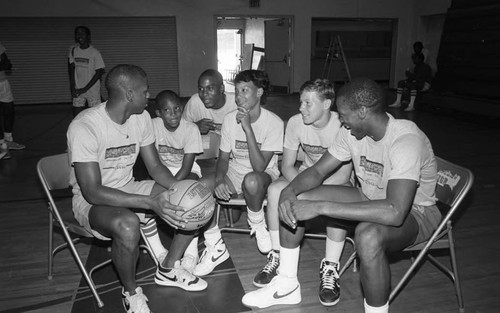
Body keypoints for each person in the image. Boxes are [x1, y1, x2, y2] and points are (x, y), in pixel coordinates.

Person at [242, 77, 441, 313]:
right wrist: (289, 190)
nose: (341, 121)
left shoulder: (405, 140)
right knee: (297, 201)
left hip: (416, 213)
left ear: (363, 112)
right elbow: (317, 171)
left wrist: (322, 207)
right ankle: (286, 285)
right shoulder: (351, 133)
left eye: (344, 115)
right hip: (369, 197)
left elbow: (395, 212)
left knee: (367, 235)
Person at [67, 64, 209, 313]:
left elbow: (155, 167)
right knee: (128, 223)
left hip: (128, 185)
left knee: (188, 201)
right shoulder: (85, 126)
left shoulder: (141, 119)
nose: (149, 95)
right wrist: (149, 203)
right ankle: (131, 292)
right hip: (92, 201)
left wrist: (183, 189)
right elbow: (92, 191)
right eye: (145, 91)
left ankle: (167, 268)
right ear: (129, 94)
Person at [252, 79, 353, 307]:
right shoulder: (296, 123)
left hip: (335, 181)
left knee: (334, 196)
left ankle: (330, 267)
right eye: (301, 102)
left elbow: (344, 176)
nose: (300, 108)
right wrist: (299, 188)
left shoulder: (342, 124)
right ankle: (277, 254)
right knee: (275, 188)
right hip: (305, 177)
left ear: (327, 104)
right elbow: (286, 166)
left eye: (308, 103)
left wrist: (308, 192)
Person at [193, 70, 284, 277]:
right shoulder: (228, 119)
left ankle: (257, 222)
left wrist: (248, 128)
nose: (239, 96)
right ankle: (215, 244)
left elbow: (260, 166)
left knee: (251, 180)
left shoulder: (274, 123)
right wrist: (218, 180)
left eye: (245, 90)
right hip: (234, 171)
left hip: (263, 175)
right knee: (198, 189)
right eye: (237, 91)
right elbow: (223, 158)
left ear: (259, 92)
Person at [152, 90, 203, 181]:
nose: (173, 114)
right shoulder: (153, 125)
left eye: (176, 108)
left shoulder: (191, 129)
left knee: (187, 187)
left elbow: (186, 169)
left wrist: (172, 185)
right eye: (167, 110)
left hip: (188, 169)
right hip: (163, 169)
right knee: (158, 189)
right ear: (159, 113)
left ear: (182, 108)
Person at [183, 69, 237, 136]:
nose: (204, 94)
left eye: (210, 88)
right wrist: (195, 127)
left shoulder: (236, 103)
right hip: (203, 145)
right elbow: (180, 130)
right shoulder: (195, 102)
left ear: (221, 88)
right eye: (201, 89)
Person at [68, 26, 105, 117]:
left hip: (92, 90)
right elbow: (71, 69)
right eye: (77, 33)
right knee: (77, 116)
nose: (80, 35)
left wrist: (85, 89)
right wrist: (72, 86)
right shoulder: (73, 50)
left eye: (82, 33)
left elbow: (99, 72)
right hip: (78, 89)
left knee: (95, 116)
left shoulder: (95, 52)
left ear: (88, 36)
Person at [0, 41, 25, 161]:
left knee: (9, 110)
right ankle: (2, 145)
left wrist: (5, 65)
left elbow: (6, 62)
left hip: (2, 82)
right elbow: (4, 64)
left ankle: (8, 139)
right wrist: (4, 65)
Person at [390, 48, 433, 112]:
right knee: (401, 83)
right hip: (417, 81)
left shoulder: (426, 67)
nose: (413, 60)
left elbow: (421, 79)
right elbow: (414, 77)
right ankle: (398, 102)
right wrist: (408, 79)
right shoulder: (416, 66)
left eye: (415, 58)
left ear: (420, 59)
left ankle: (411, 105)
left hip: (425, 84)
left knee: (413, 85)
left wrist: (410, 75)